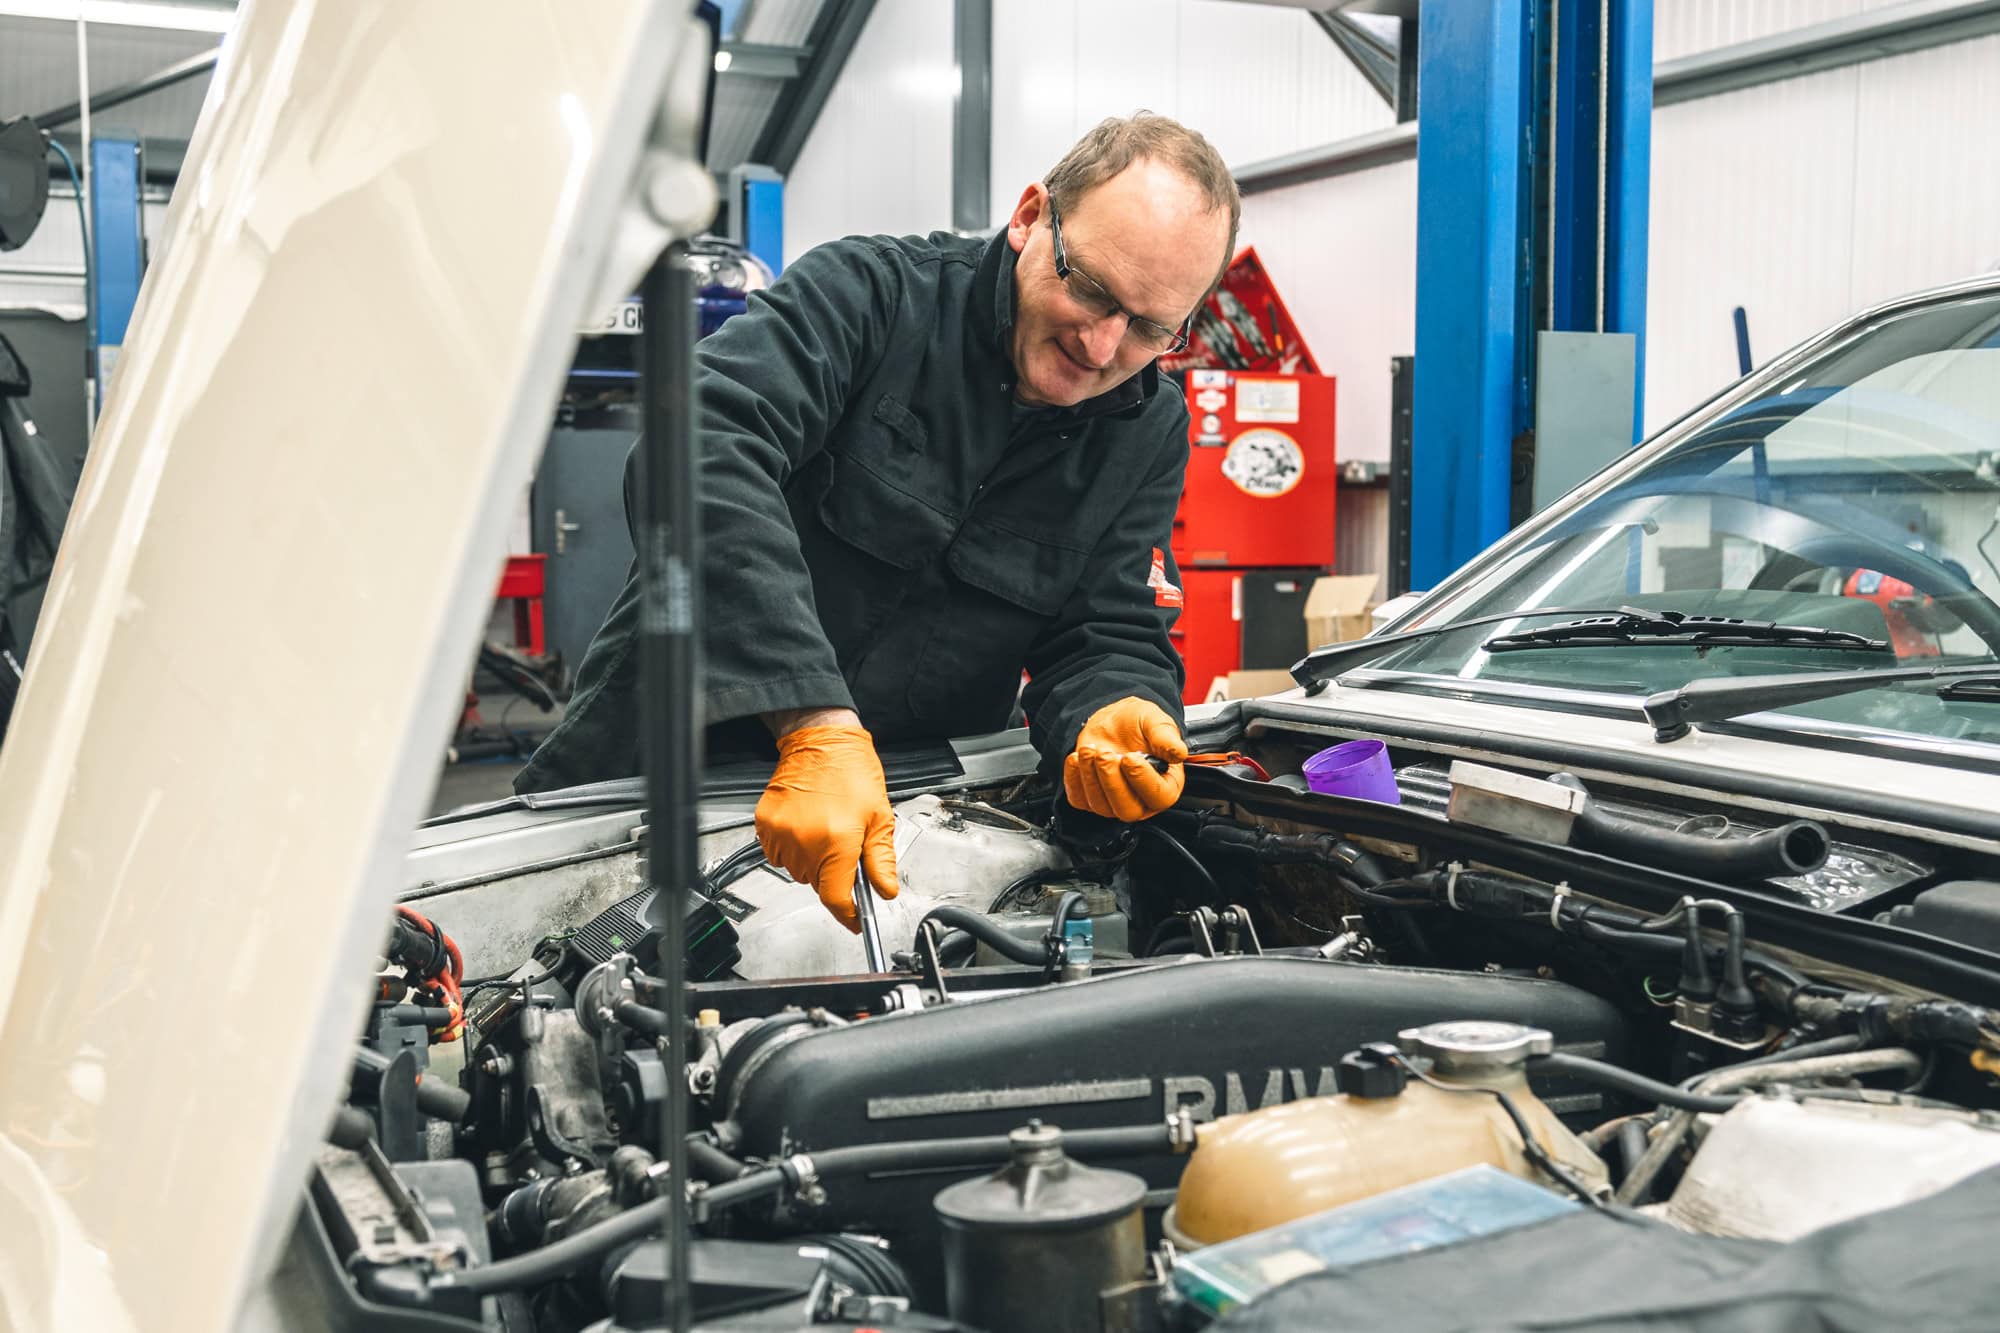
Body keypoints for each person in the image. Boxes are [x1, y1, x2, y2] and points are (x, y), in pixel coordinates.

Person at [516, 113, 1240, 933]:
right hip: (648, 795)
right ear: (1032, 216)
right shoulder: (868, 297)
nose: (1103, 344)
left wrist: (1118, 703)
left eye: (1149, 327)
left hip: (902, 837)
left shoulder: (1145, 428)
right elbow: (697, 451)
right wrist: (815, 722)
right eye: (1092, 288)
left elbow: (1105, 623)